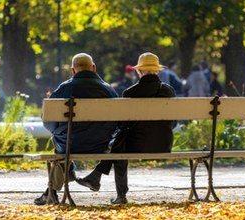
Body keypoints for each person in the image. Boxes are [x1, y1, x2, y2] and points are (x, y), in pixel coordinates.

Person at [76, 52, 176, 204]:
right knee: (121, 141)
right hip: (164, 144)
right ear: (158, 71)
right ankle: (96, 176)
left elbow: (123, 124)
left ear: (139, 71)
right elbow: (173, 122)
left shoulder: (130, 93)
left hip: (136, 146)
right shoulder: (168, 91)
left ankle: (117, 192)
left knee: (120, 142)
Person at [34, 53, 118, 205]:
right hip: (100, 145)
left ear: (73, 71)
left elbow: (49, 123)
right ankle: (65, 176)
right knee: (62, 141)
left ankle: (52, 191)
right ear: (93, 68)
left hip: (70, 145)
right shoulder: (108, 90)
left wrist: (58, 132)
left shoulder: (65, 88)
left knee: (60, 142)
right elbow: (117, 123)